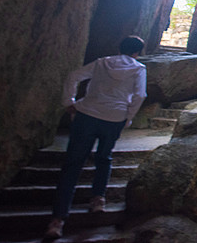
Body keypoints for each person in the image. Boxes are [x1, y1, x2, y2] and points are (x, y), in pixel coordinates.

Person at [45, 36, 147, 239]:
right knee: (104, 157)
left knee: (73, 164)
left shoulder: (102, 62)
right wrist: (127, 117)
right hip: (114, 117)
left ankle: (57, 221)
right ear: (138, 52)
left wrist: (69, 102)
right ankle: (98, 199)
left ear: (120, 47)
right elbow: (140, 95)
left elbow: (74, 76)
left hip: (87, 114)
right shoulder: (139, 69)